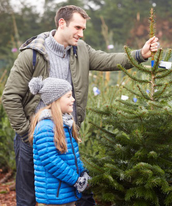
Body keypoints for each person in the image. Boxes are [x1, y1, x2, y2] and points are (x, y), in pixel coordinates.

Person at [1, 5, 158, 206]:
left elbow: (108, 59)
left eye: (83, 28)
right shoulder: (31, 54)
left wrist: (141, 55)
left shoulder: (80, 50)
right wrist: (26, 134)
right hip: (34, 135)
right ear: (61, 23)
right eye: (77, 27)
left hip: (66, 134)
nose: (81, 34)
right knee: (29, 196)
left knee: (79, 189)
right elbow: (10, 96)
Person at [28, 77, 91, 205]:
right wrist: (75, 180)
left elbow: (72, 156)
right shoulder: (45, 127)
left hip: (67, 193)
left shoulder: (65, 124)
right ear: (56, 100)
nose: (73, 99)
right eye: (68, 96)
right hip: (54, 198)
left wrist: (82, 171)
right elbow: (51, 161)